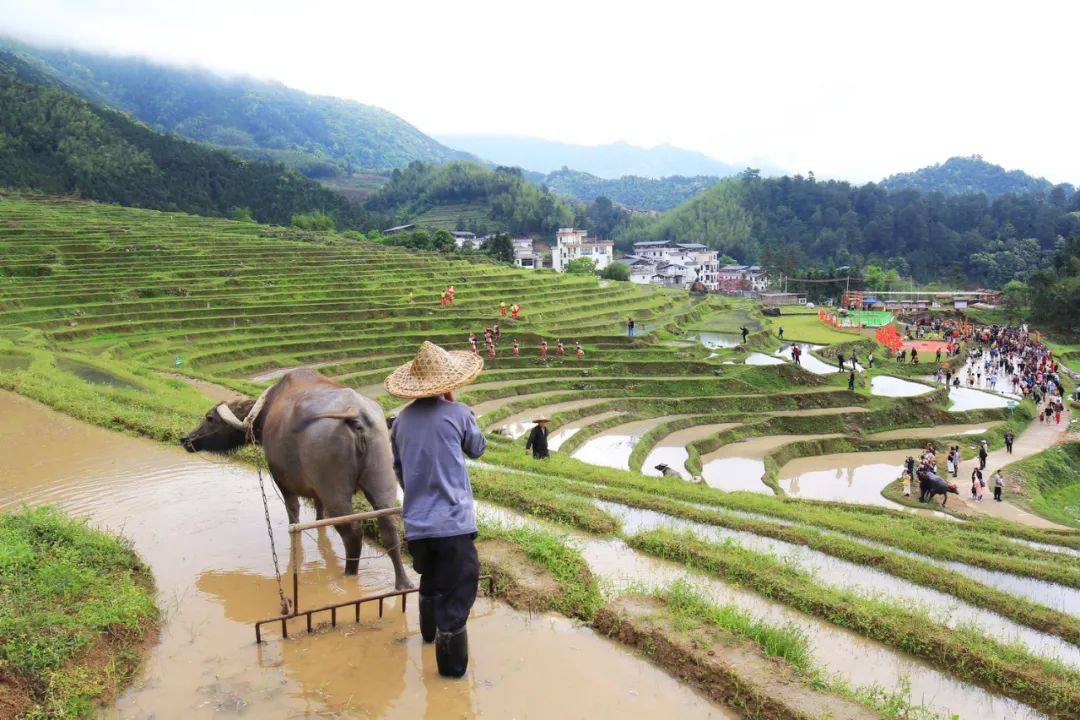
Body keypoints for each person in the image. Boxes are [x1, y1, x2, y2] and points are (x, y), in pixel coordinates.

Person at [386, 341, 486, 678]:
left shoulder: (400, 422)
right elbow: (477, 448)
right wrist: (458, 408)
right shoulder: (458, 413)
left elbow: (398, 469)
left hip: (417, 526)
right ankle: (451, 674)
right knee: (459, 592)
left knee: (430, 579)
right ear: (449, 383)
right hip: (453, 524)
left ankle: (427, 638)